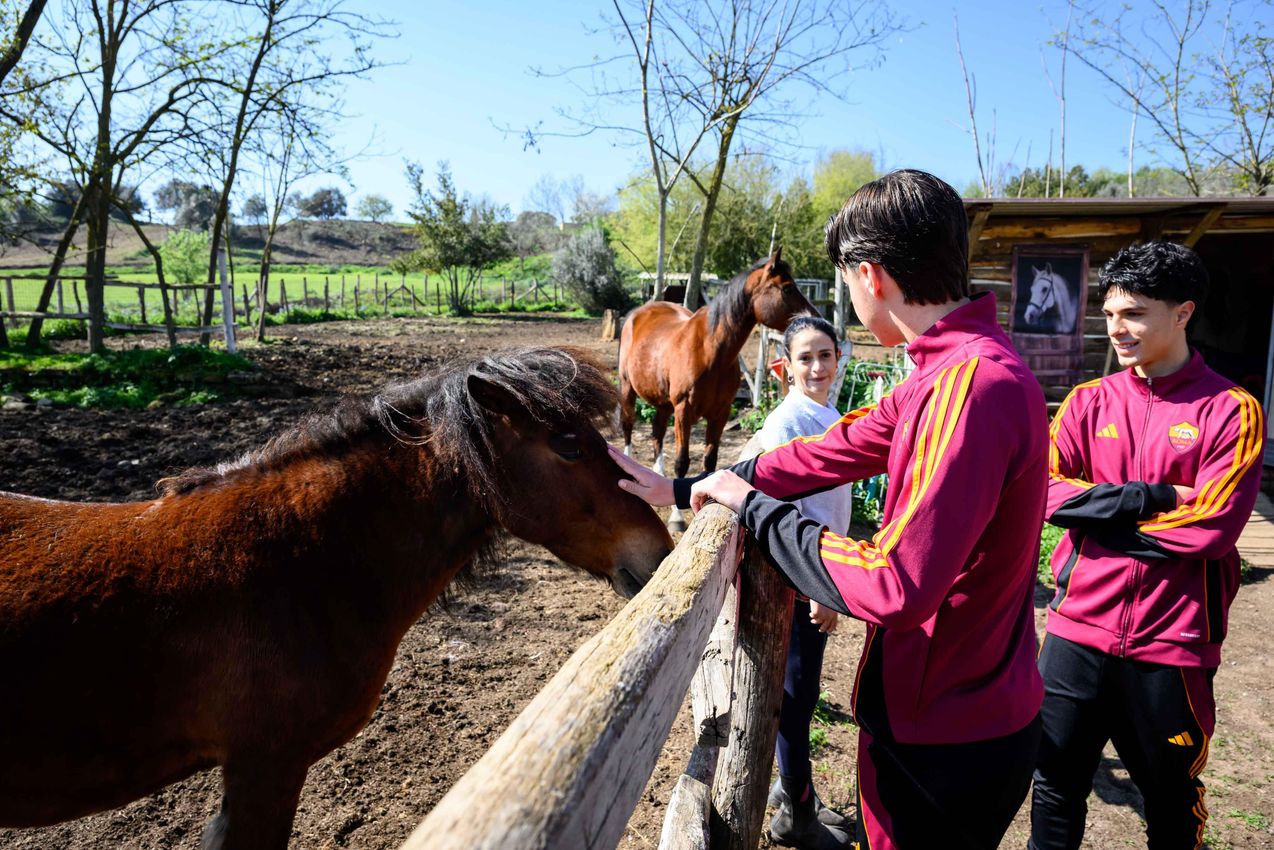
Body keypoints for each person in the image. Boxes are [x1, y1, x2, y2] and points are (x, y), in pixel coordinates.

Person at [611, 169, 1047, 850]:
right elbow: (835, 449)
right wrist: (690, 483)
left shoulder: (968, 386)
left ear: (869, 276)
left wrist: (757, 510)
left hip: (946, 737)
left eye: (844, 281)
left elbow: (894, 582)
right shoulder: (953, 369)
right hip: (955, 711)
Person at [1029, 241, 1264, 850]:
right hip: (1075, 634)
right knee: (1053, 784)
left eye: (1133, 313)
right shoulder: (1087, 403)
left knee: (1171, 799)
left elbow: (1211, 529)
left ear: (1183, 312)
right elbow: (1045, 493)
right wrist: (1150, 497)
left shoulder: (1231, 411)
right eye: (1109, 314)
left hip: (1172, 647)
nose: (1117, 329)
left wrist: (1095, 515)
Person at [757, 315, 855, 850]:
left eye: (826, 355)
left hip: (818, 575)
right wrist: (817, 588)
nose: (817, 366)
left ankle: (793, 790)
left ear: (838, 359)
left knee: (804, 690)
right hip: (798, 582)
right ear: (784, 367)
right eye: (805, 358)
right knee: (797, 697)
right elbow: (788, 519)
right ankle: (796, 816)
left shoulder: (828, 414)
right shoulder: (786, 426)